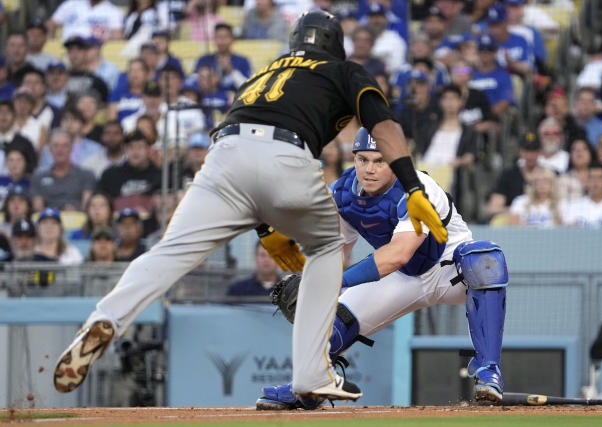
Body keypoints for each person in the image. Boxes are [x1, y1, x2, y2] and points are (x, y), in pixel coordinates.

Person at [52, 11, 447, 404]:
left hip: (223, 154)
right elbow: (385, 127)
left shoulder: (267, 71)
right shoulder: (341, 68)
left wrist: (265, 229)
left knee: (169, 252)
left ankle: (105, 318)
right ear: (334, 45)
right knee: (327, 248)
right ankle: (311, 373)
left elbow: (247, 156)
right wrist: (412, 187)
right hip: (287, 152)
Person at [256, 128, 507, 410]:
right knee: (335, 319)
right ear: (354, 158)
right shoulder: (341, 193)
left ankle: (488, 372)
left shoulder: (416, 188)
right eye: (363, 159)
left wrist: (335, 282)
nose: (369, 169)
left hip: (448, 266)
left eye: (380, 161)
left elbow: (399, 253)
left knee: (486, 258)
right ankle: (309, 386)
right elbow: (337, 253)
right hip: (401, 279)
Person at [31, 129, 96, 212]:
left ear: (71, 148)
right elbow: (38, 209)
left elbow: (87, 208)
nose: (60, 150)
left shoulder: (86, 175)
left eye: (65, 145)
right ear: (49, 149)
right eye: (56, 145)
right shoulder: (38, 177)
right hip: (49, 221)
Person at [96, 129, 161, 213]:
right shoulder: (110, 175)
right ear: (124, 150)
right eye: (130, 147)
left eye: (139, 147)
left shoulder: (160, 175)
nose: (135, 152)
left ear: (148, 150)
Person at [194, 23, 252, 94]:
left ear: (233, 39)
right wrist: (205, 79)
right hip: (207, 101)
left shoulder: (243, 61)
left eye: (225, 37)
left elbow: (249, 88)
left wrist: (231, 71)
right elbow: (192, 84)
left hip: (235, 102)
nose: (221, 41)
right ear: (214, 39)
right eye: (218, 37)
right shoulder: (204, 59)